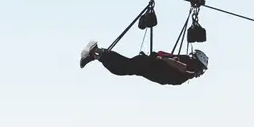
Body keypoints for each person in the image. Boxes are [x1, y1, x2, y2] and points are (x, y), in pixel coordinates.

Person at [79, 41, 209, 86]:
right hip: (149, 66)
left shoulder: (187, 61)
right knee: (120, 68)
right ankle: (96, 54)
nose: (201, 73)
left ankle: (98, 52)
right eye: (202, 69)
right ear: (199, 63)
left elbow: (177, 64)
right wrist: (163, 59)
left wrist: (162, 59)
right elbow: (181, 67)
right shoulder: (191, 70)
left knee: (125, 65)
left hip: (148, 65)